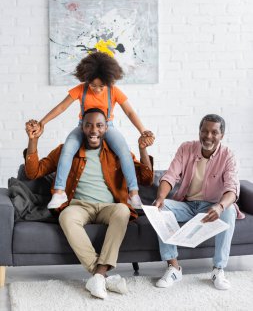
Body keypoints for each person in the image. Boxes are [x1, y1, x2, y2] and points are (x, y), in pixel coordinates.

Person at [25, 108, 153, 299]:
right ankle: (102, 275)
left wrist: (143, 149)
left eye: (99, 125)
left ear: (106, 128)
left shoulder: (118, 153)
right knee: (66, 216)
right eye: (89, 125)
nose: (94, 130)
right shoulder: (66, 151)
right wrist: (33, 140)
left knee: (122, 212)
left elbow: (146, 178)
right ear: (81, 128)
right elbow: (33, 172)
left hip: (108, 207)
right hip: (78, 206)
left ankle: (98, 275)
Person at [27, 52, 155, 210]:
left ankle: (134, 195)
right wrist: (42, 122)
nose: (97, 90)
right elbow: (61, 107)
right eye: (93, 86)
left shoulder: (113, 91)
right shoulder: (81, 90)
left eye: (102, 86)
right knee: (68, 148)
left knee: (124, 151)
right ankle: (59, 192)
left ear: (109, 81)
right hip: (84, 126)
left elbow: (130, 112)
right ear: (86, 79)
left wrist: (143, 130)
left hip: (107, 126)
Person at [153, 114, 243, 291]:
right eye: (205, 131)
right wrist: (161, 198)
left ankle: (218, 269)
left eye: (214, 132)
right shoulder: (186, 148)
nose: (208, 136)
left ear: (221, 136)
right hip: (186, 205)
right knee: (159, 209)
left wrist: (220, 206)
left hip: (212, 206)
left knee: (229, 210)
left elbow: (232, 188)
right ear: (199, 132)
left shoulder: (228, 156)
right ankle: (173, 267)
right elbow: (170, 175)